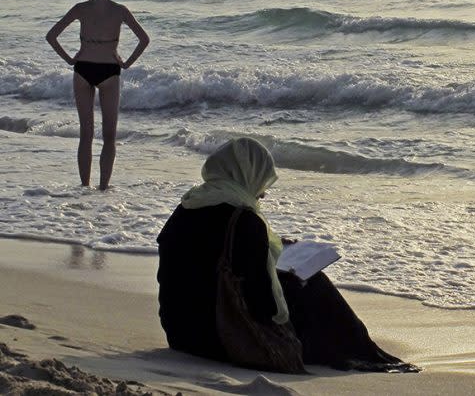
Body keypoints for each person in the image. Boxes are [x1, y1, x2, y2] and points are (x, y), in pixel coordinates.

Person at [157, 138, 419, 373]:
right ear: (248, 174)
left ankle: (358, 350)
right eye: (263, 180)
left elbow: (199, 262)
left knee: (290, 280)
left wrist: (267, 251)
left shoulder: (186, 207)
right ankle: (362, 352)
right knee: (312, 283)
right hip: (221, 340)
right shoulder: (244, 221)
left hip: (181, 335)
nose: (263, 192)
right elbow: (264, 309)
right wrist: (287, 278)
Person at [46, 0, 150, 190]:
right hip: (109, 71)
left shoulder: (80, 10)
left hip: (83, 69)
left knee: (87, 133)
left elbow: (52, 36)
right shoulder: (120, 10)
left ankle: (87, 187)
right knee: (108, 135)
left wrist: (70, 59)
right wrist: (126, 62)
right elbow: (144, 40)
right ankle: (101, 188)